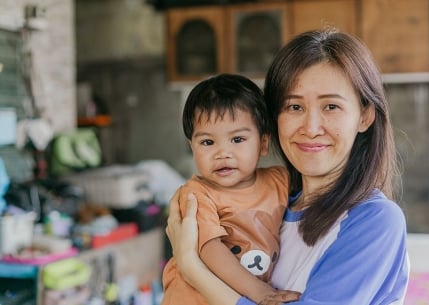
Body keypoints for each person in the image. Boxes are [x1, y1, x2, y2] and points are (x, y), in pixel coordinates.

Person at [166, 28, 410, 305]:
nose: (311, 128)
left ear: (364, 116)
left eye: (331, 106)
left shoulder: (374, 220)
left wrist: (192, 267)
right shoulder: (276, 205)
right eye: (294, 107)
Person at [161, 73, 299, 305]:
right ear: (192, 147)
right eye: (207, 142)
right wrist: (259, 291)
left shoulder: (280, 180)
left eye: (237, 140)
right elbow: (209, 249)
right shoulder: (196, 194)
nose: (222, 153)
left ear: (263, 143)